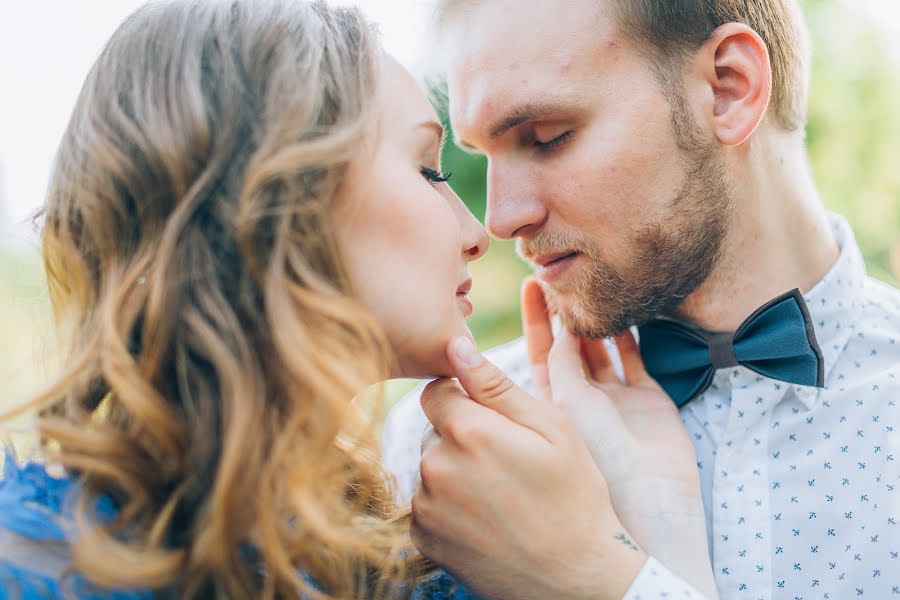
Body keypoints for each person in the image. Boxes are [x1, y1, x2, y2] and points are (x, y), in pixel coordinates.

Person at [0, 1, 694, 598]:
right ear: (271, 206)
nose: (481, 230)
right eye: (428, 169)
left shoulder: (461, 555)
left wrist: (651, 533)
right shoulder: (26, 564)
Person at [384, 0, 900, 598]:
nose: (498, 219)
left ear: (728, 89)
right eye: (482, 155)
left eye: (547, 138)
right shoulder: (447, 447)